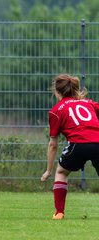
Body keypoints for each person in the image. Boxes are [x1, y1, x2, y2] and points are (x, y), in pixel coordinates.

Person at [41, 74, 99, 220]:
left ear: (57, 91)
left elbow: (53, 144)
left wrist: (48, 170)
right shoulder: (88, 103)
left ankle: (59, 212)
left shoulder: (56, 110)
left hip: (77, 145)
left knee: (61, 172)